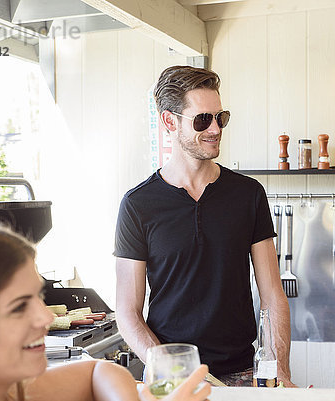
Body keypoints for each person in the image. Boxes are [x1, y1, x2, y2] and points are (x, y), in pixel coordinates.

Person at [114, 66, 293, 387]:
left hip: (241, 372)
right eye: (202, 120)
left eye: (220, 118)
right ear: (170, 121)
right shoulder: (138, 204)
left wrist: (279, 369)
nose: (215, 129)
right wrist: (173, 371)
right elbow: (128, 313)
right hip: (170, 378)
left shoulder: (248, 194)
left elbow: (272, 296)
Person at [0, 226, 210, 401]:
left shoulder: (10, 391)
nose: (45, 318)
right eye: (19, 306)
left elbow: (98, 371)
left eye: (39, 297)